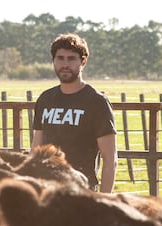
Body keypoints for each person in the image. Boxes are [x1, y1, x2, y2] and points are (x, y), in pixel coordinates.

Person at [31, 33, 117, 193]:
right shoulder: (45, 99)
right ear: (53, 61)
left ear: (83, 61)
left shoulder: (96, 102)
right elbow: (36, 150)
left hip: (82, 191)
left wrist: (103, 201)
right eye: (60, 58)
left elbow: (110, 159)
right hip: (47, 189)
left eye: (71, 59)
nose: (65, 64)